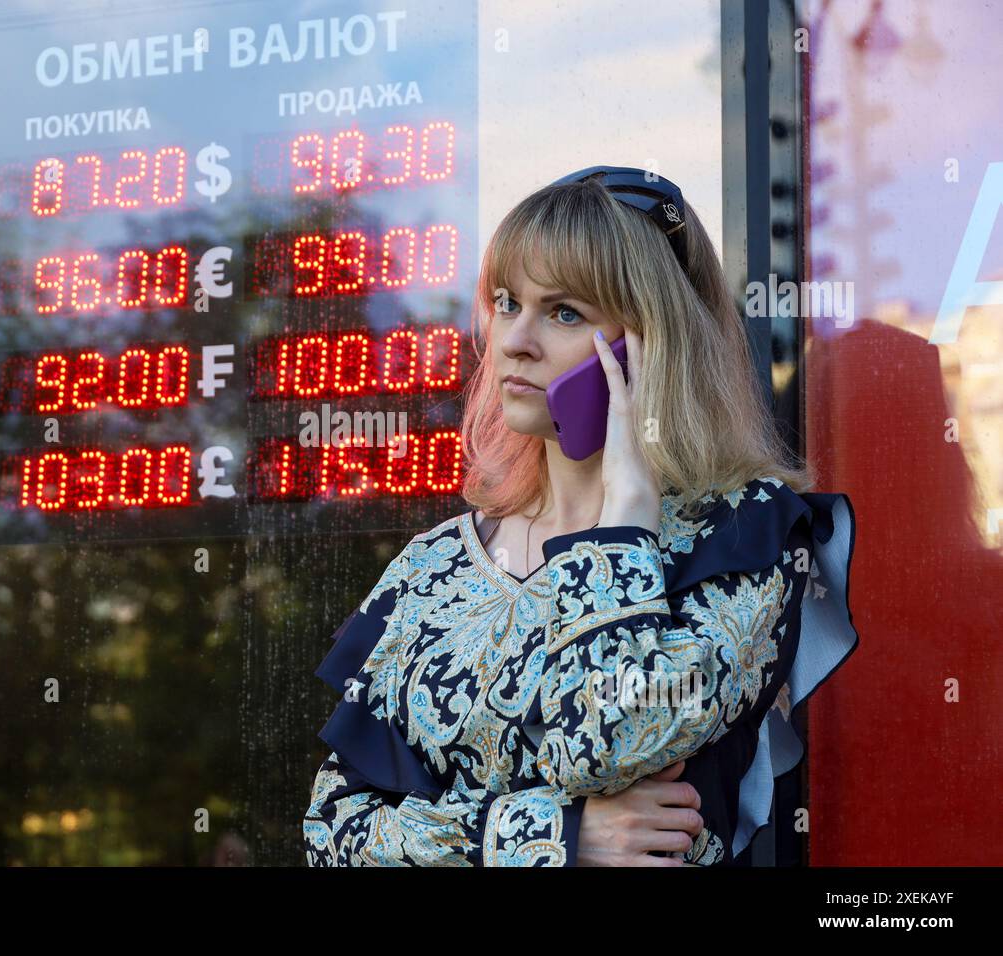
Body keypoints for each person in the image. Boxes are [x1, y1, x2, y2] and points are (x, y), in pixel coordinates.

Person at [302, 166, 858, 866]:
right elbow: (334, 833)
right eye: (506, 303)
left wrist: (623, 526)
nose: (515, 340)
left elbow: (612, 742)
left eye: (564, 312)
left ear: (651, 340)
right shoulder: (431, 567)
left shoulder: (746, 534)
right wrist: (559, 838)